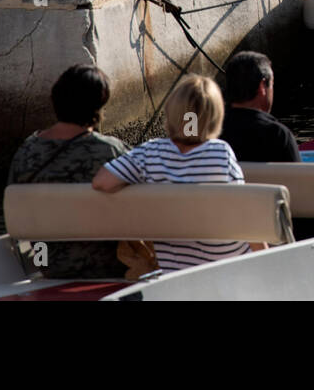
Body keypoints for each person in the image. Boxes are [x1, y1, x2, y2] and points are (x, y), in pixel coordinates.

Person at [93, 74, 255, 273]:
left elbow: (102, 182)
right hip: (228, 269)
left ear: (173, 113)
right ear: (214, 117)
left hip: (175, 274)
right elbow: (246, 217)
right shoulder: (220, 153)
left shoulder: (150, 152)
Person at [7, 64, 129, 279]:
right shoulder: (110, 150)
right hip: (110, 265)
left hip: (47, 266)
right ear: (99, 105)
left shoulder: (27, 150)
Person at [219, 51, 301, 164]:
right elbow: (297, 179)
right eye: (272, 84)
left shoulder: (211, 132)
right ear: (262, 86)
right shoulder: (279, 136)